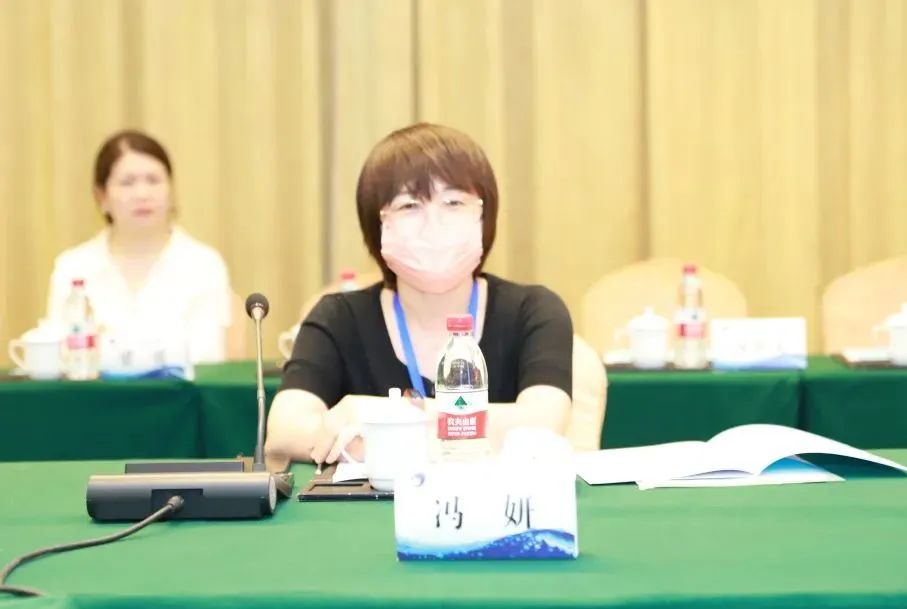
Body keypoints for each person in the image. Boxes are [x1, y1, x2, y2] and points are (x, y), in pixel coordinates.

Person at [265, 123, 573, 471]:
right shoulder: (339, 317)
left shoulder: (534, 311)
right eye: (409, 205)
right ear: (378, 225)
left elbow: (542, 425)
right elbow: (284, 431)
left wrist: (385, 420)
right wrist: (454, 429)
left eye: (453, 202)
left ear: (483, 216)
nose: (433, 224)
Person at [45, 130, 232, 364]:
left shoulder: (203, 265)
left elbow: (208, 357)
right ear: (101, 196)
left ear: (171, 190)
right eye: (127, 182)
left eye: (153, 180)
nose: (142, 194)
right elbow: (62, 356)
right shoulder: (73, 267)